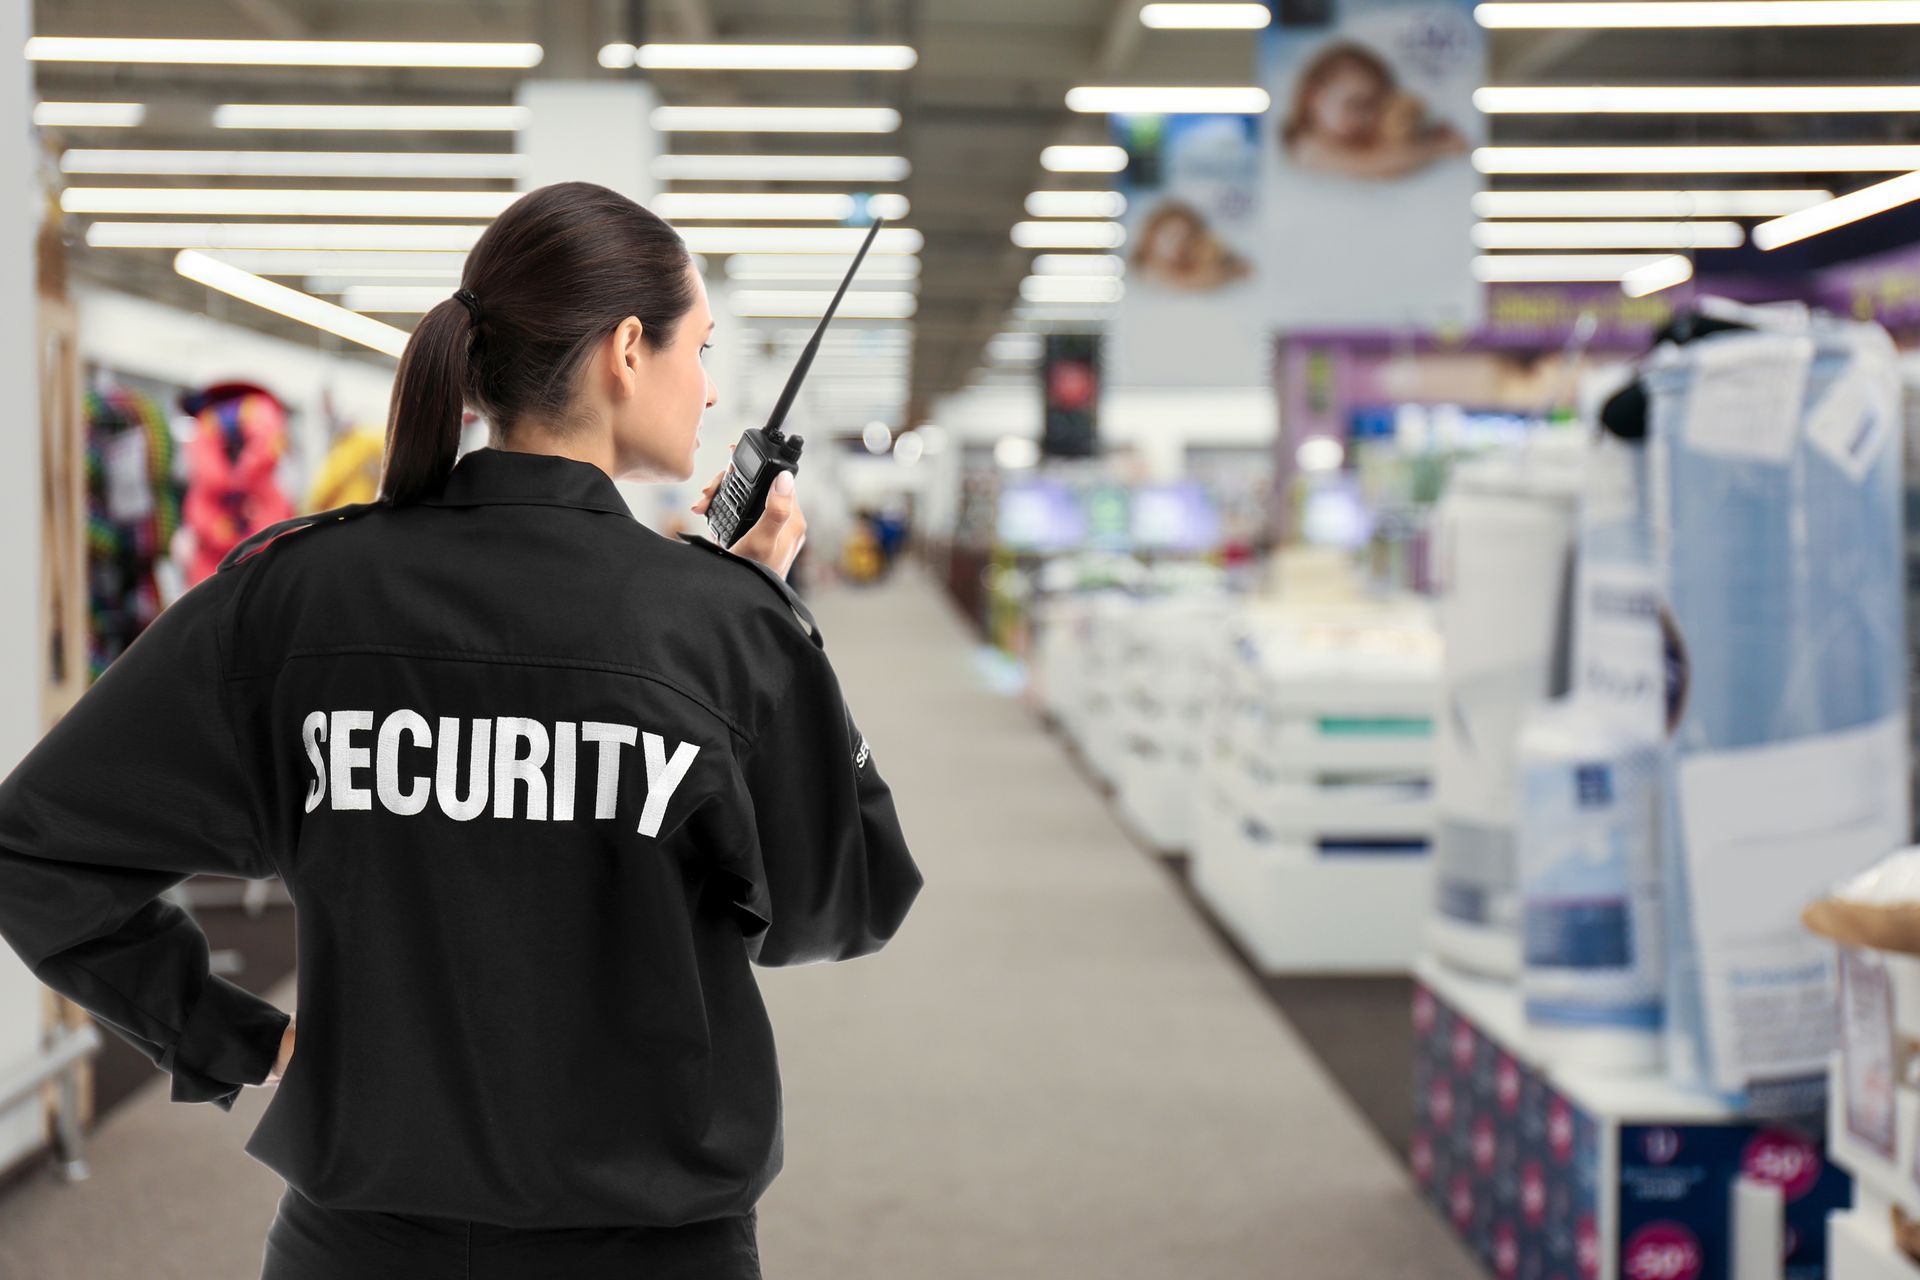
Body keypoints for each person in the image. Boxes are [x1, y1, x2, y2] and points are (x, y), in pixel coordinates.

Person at [0, 180, 924, 1279]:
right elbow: (844, 902)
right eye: (701, 347)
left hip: (355, 1245)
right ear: (628, 349)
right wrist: (773, 619)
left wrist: (226, 1031)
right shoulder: (717, 622)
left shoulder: (291, 596)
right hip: (653, 1250)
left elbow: (35, 849)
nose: (713, 389)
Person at [1280, 40, 1467, 181]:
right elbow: (1376, 166)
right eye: (1354, 105)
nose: (1365, 118)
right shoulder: (1306, 147)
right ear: (1315, 99)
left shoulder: (1353, 141)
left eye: (1375, 108)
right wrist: (1434, 149)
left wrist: (1426, 135)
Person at [1128, 200, 1252, 292]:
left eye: (1187, 239)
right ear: (1151, 236)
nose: (1179, 247)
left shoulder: (1200, 266)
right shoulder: (1145, 274)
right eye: (1172, 236)